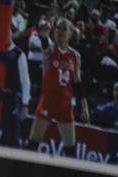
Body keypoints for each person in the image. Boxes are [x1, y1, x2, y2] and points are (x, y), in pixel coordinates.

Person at [28, 19, 88, 157]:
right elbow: (44, 44)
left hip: (65, 104)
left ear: (70, 33)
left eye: (64, 28)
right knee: (32, 144)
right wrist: (44, 35)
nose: (60, 31)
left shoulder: (75, 56)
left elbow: (78, 83)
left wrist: (84, 107)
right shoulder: (49, 50)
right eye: (58, 28)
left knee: (70, 149)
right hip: (48, 100)